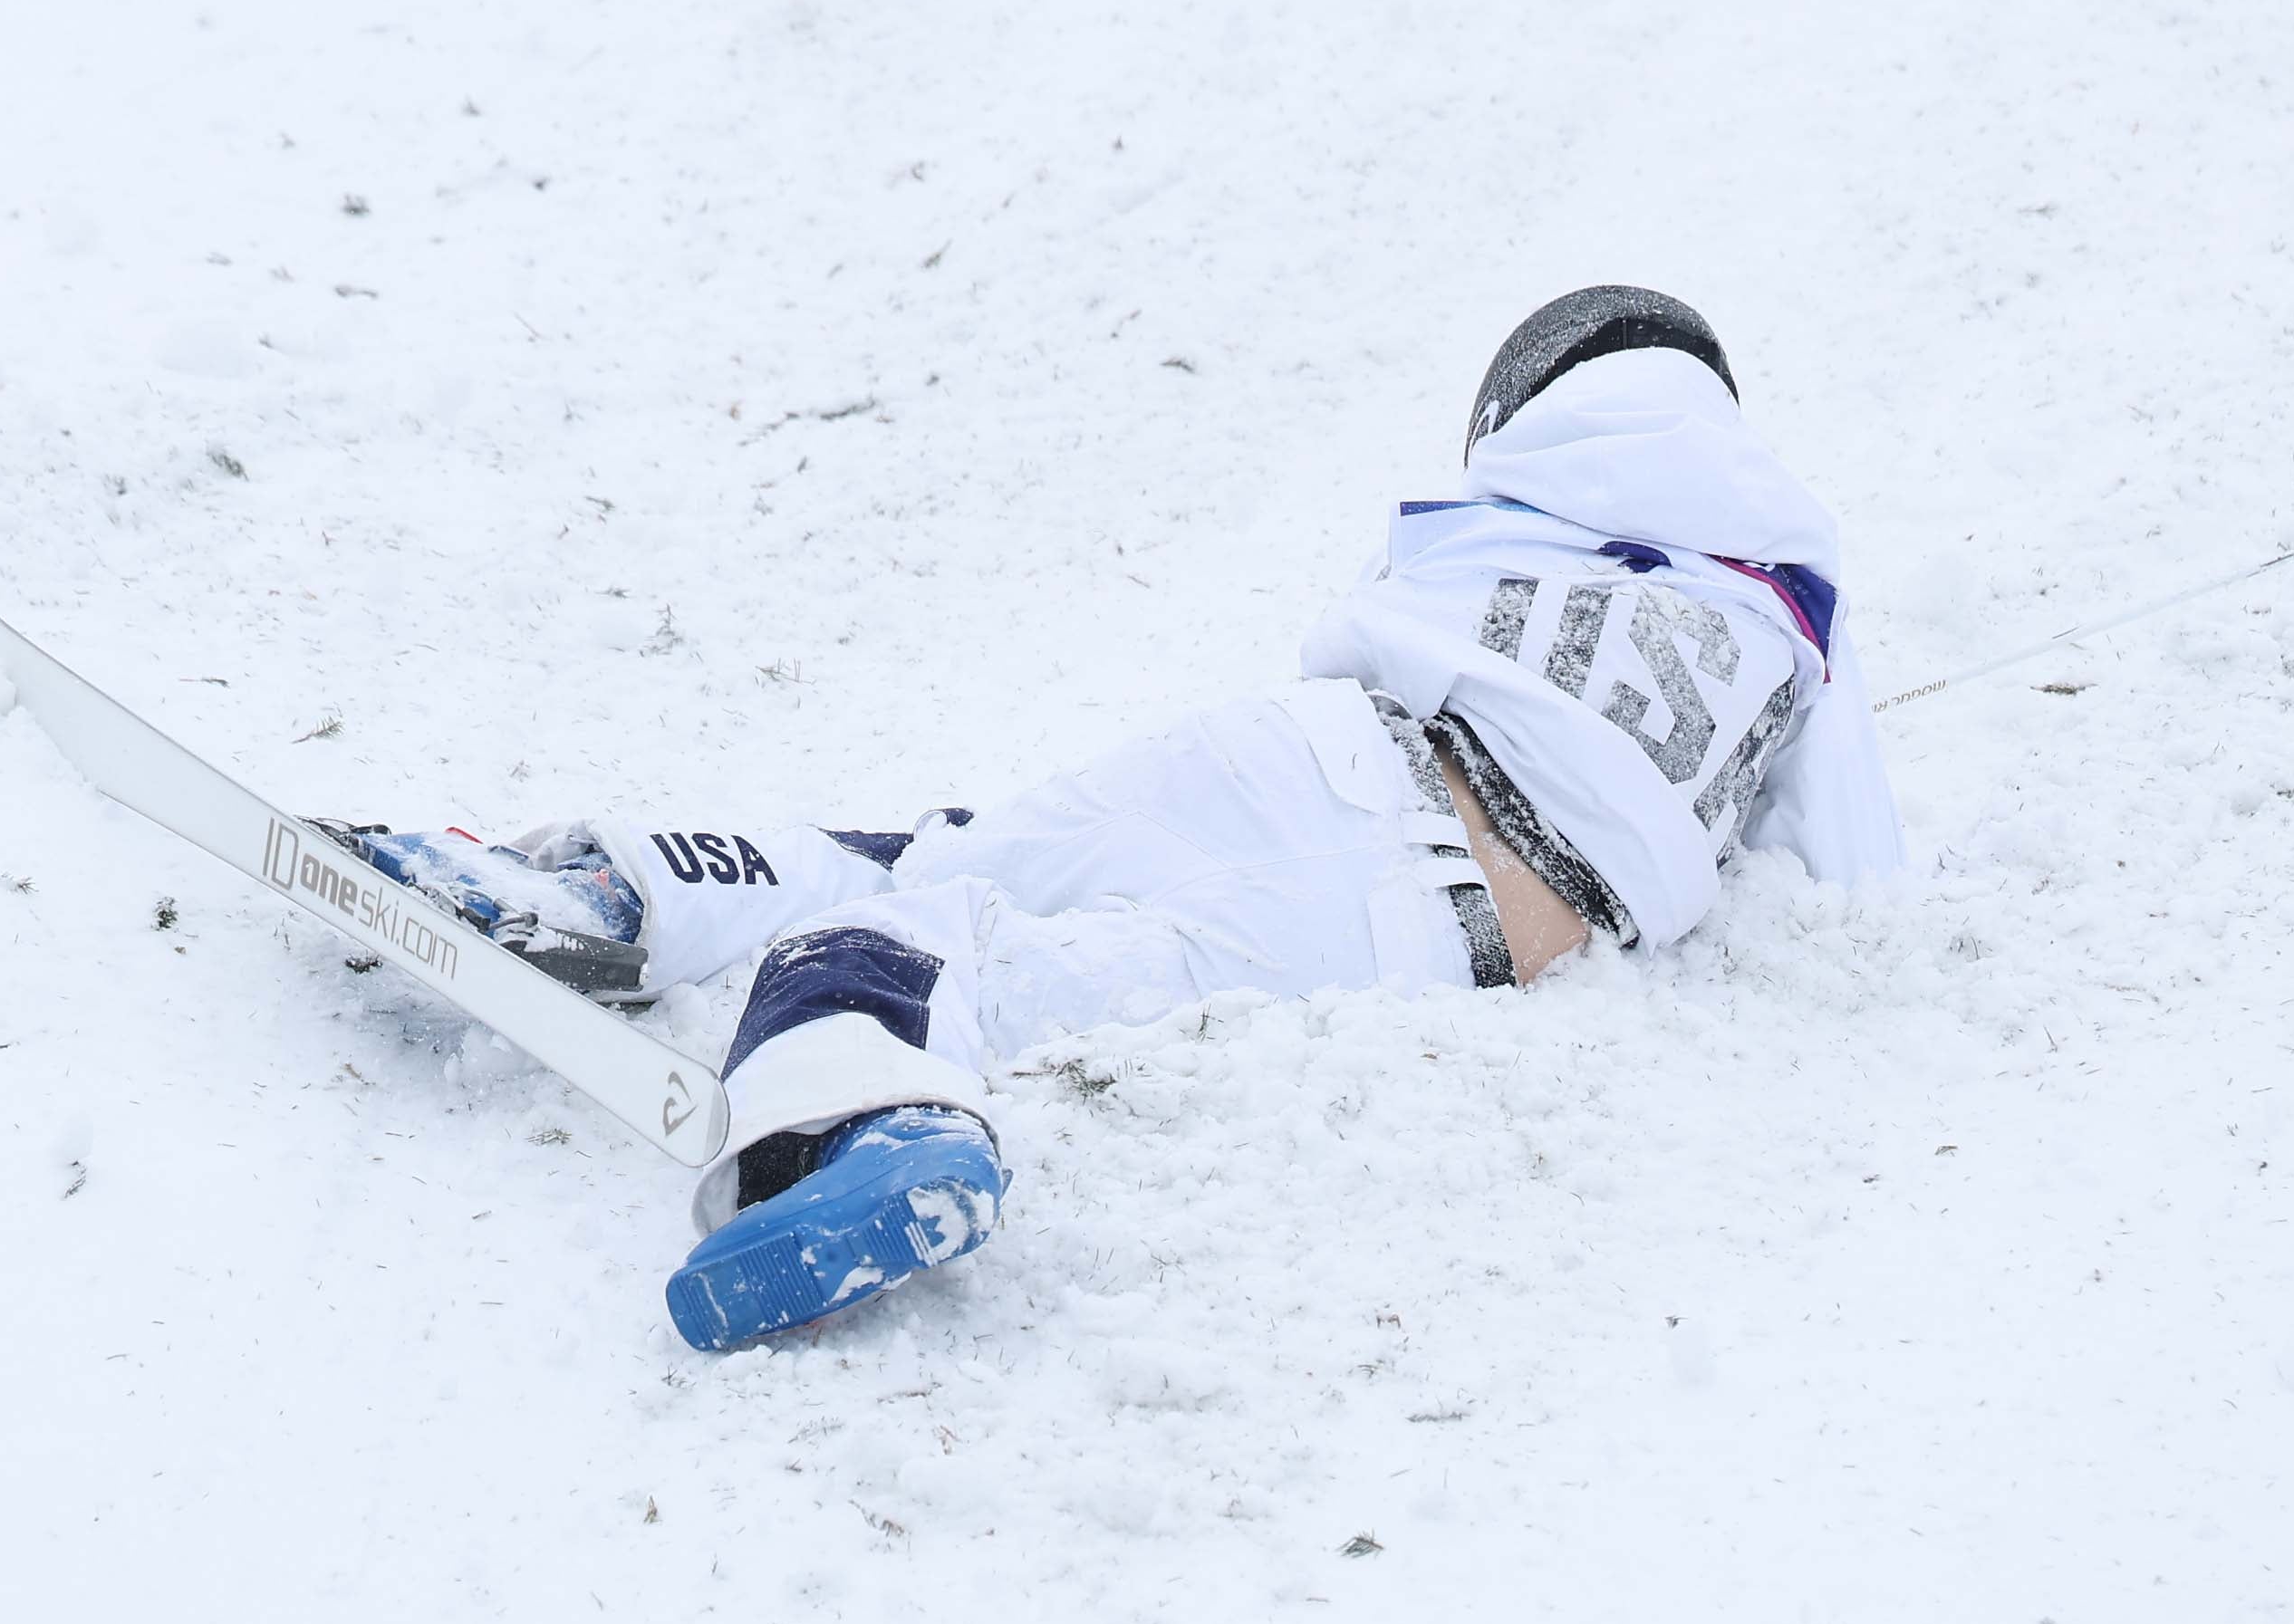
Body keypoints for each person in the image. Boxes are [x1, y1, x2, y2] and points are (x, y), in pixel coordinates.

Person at [349, 285, 1906, 1350]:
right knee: (1003, 926)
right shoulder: (1787, 616)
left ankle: (673, 952)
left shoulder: (1548, 488)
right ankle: (841, 1074)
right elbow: (1855, 880)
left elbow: (1397, 605)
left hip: (1338, 767)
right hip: (1458, 942)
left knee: (909, 903)